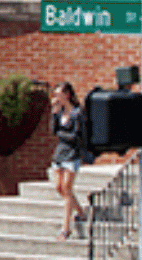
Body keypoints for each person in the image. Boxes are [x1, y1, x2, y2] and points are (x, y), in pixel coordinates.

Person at [48, 81, 91, 239]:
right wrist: (54, 113)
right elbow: (53, 131)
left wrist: (61, 134)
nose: (56, 98)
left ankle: (66, 228)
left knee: (66, 189)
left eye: (58, 94)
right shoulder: (59, 113)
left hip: (72, 154)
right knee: (59, 187)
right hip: (60, 153)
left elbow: (77, 137)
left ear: (67, 94)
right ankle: (80, 212)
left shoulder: (78, 113)